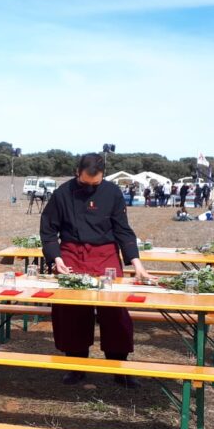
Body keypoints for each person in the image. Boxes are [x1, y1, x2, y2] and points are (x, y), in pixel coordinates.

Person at [40, 153, 155, 386]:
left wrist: (137, 264)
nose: (90, 188)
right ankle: (75, 365)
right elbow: (49, 231)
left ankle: (118, 366)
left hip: (105, 255)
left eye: (96, 184)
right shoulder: (62, 194)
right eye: (85, 183)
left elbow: (123, 230)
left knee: (114, 311)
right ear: (77, 173)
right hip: (72, 253)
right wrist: (56, 258)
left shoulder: (112, 193)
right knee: (71, 310)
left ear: (103, 176)